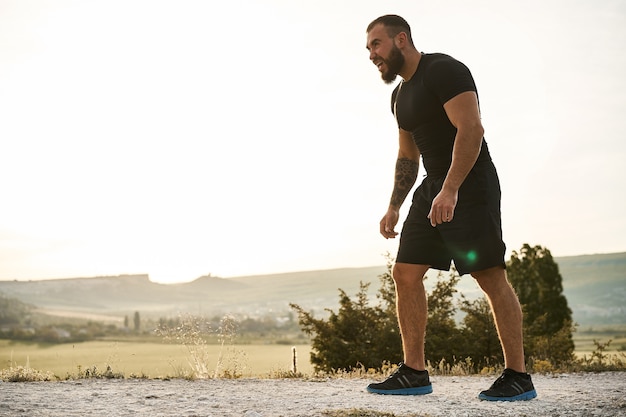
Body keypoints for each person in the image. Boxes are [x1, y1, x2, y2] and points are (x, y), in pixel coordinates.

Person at [364, 15, 537, 402]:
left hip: (469, 183)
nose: (372, 55)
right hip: (433, 187)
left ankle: (518, 375)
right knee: (405, 273)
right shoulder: (399, 97)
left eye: (376, 45)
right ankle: (414, 371)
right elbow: (407, 155)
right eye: (369, 48)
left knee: (489, 274)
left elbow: (471, 128)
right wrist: (394, 205)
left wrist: (452, 188)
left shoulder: (444, 70)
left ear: (401, 39)